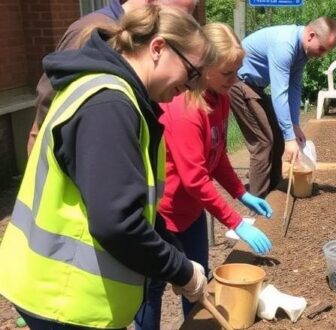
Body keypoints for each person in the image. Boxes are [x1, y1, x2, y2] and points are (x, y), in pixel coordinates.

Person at [0, 5, 215, 329]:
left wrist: (177, 254)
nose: (191, 87)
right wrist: (182, 271)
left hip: (61, 291)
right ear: (158, 48)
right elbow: (118, 223)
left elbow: (130, 206)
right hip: (62, 296)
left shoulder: (122, 97)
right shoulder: (110, 105)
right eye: (192, 72)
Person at [133, 22, 275, 330]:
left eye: (238, 71)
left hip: (191, 214)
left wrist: (241, 193)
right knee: (152, 290)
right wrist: (236, 223)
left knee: (198, 281)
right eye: (228, 73)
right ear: (204, 66)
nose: (235, 79)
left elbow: (217, 155)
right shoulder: (186, 107)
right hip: (164, 216)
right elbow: (195, 179)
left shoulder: (220, 98)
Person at [26, 0, 198, 154]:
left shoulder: (142, 44)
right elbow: (43, 120)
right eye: (179, 15)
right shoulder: (93, 31)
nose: (184, 27)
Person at [230, 16, 336, 198]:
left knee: (279, 138)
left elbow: (294, 88)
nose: (322, 55)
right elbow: (280, 91)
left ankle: (273, 189)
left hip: (254, 86)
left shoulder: (302, 52)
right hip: (237, 82)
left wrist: (294, 125)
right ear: (311, 35)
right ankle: (257, 200)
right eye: (322, 49)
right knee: (263, 142)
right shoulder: (284, 45)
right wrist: (290, 139)